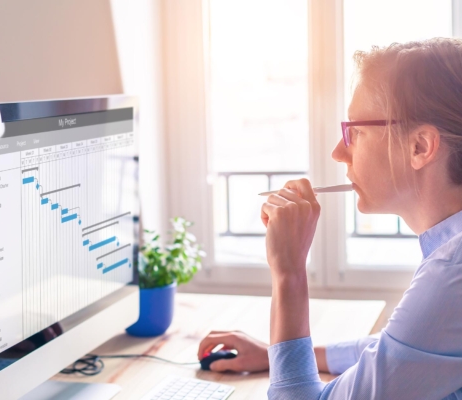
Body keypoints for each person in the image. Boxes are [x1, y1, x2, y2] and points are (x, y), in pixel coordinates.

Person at [198, 38, 462, 399]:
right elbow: (402, 348)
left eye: (355, 132)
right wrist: (279, 356)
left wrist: (289, 271)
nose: (339, 152)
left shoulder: (452, 272)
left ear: (420, 146)